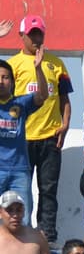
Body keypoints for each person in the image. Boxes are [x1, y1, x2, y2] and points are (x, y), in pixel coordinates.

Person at [11, 16, 73, 242]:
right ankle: (22, 234)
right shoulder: (13, 65)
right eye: (32, 34)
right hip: (23, 139)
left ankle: (47, 235)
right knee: (22, 190)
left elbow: (65, 99)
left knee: (48, 190)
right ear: (22, 36)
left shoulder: (56, 63)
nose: (37, 38)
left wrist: (65, 124)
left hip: (50, 137)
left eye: (40, 34)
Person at [0, 48, 48, 219]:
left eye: (5, 77)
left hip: (20, 170)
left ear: (12, 82)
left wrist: (38, 68)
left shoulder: (21, 103)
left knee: (23, 218)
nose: (1, 81)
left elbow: (42, 95)